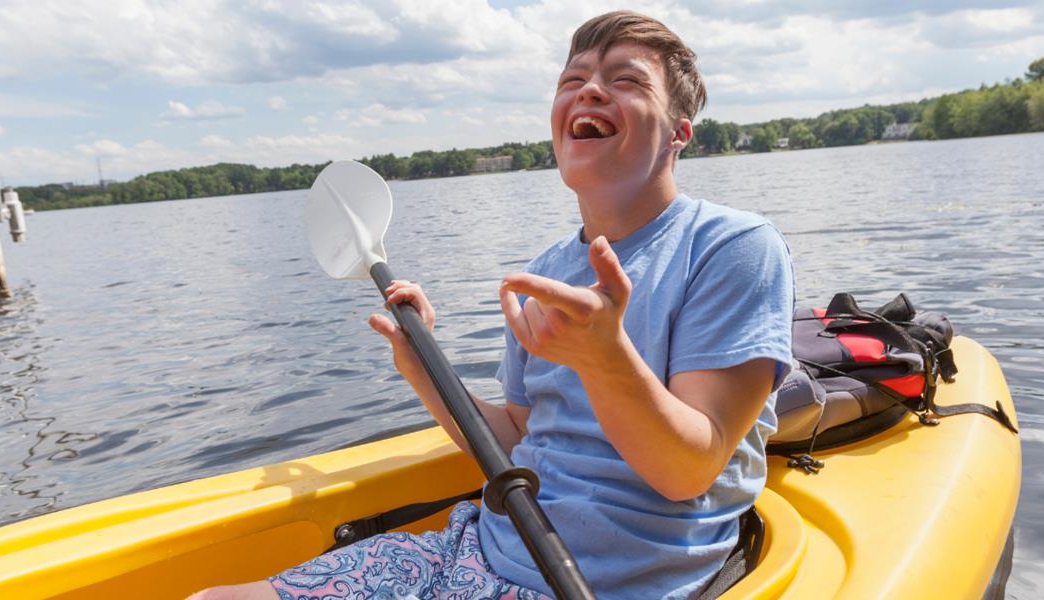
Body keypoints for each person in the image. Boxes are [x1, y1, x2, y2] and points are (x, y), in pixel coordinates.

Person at [194, 10, 793, 599]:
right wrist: (426, 374)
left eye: (626, 80)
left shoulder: (732, 247)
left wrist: (605, 358)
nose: (589, 90)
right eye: (573, 80)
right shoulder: (546, 272)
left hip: (598, 581)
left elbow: (689, 470)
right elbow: (518, 441)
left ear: (679, 132)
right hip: (482, 547)